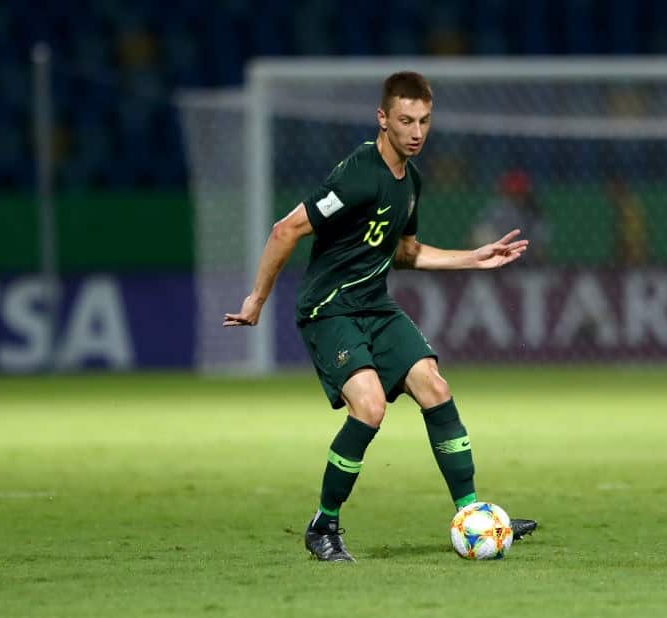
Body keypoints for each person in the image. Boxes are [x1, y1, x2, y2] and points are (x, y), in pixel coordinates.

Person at [223, 71, 538, 562]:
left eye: (425, 121)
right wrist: (256, 300)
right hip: (329, 308)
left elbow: (405, 252)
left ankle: (472, 513)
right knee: (369, 406)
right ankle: (323, 526)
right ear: (383, 119)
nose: (417, 132)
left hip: (374, 303)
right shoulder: (357, 174)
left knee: (434, 385)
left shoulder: (411, 180)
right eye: (406, 120)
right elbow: (286, 229)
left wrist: (472, 257)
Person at [471, 169, 551, 263]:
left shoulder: (534, 213)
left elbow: (540, 246)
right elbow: (477, 238)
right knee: (482, 236)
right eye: (511, 194)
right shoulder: (495, 209)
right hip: (496, 259)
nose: (516, 198)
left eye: (519, 193)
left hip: (526, 260)